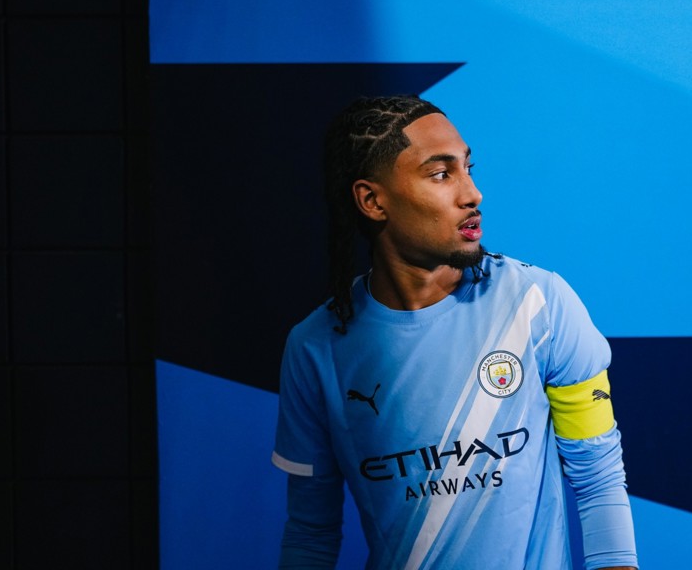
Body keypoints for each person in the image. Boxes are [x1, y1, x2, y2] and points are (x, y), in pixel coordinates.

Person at [273, 95, 638, 569]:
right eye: (441, 174)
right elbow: (310, 532)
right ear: (372, 200)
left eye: (468, 168)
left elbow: (599, 478)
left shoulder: (540, 303)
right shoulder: (314, 348)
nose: (472, 194)